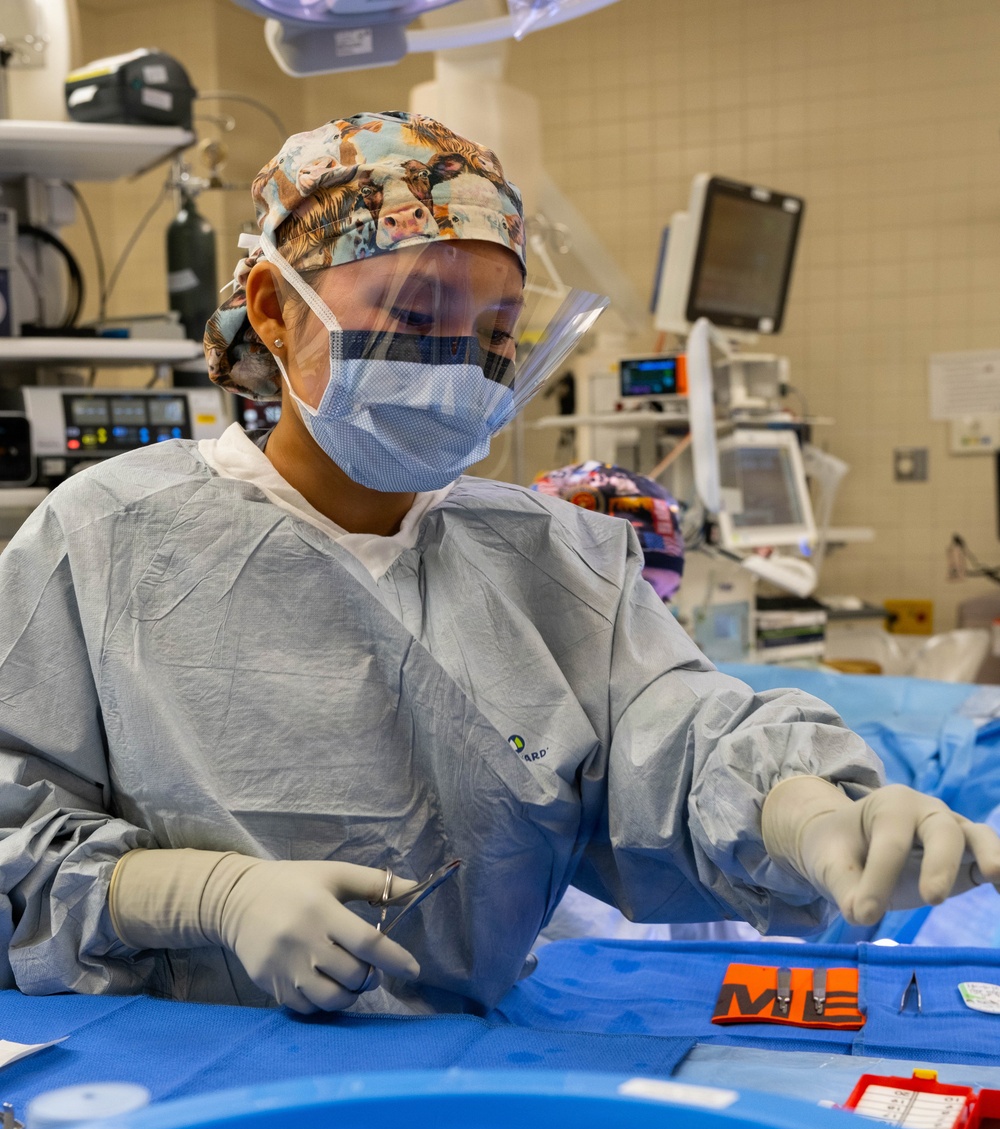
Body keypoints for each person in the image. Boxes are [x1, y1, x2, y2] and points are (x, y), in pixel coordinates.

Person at [0, 110, 996, 1017]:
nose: (452, 368)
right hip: (164, 1078)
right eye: (410, 317)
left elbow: (679, 739)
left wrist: (805, 812)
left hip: (466, 1068)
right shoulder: (107, 536)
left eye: (491, 335)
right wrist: (194, 896)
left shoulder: (547, 561)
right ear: (272, 304)